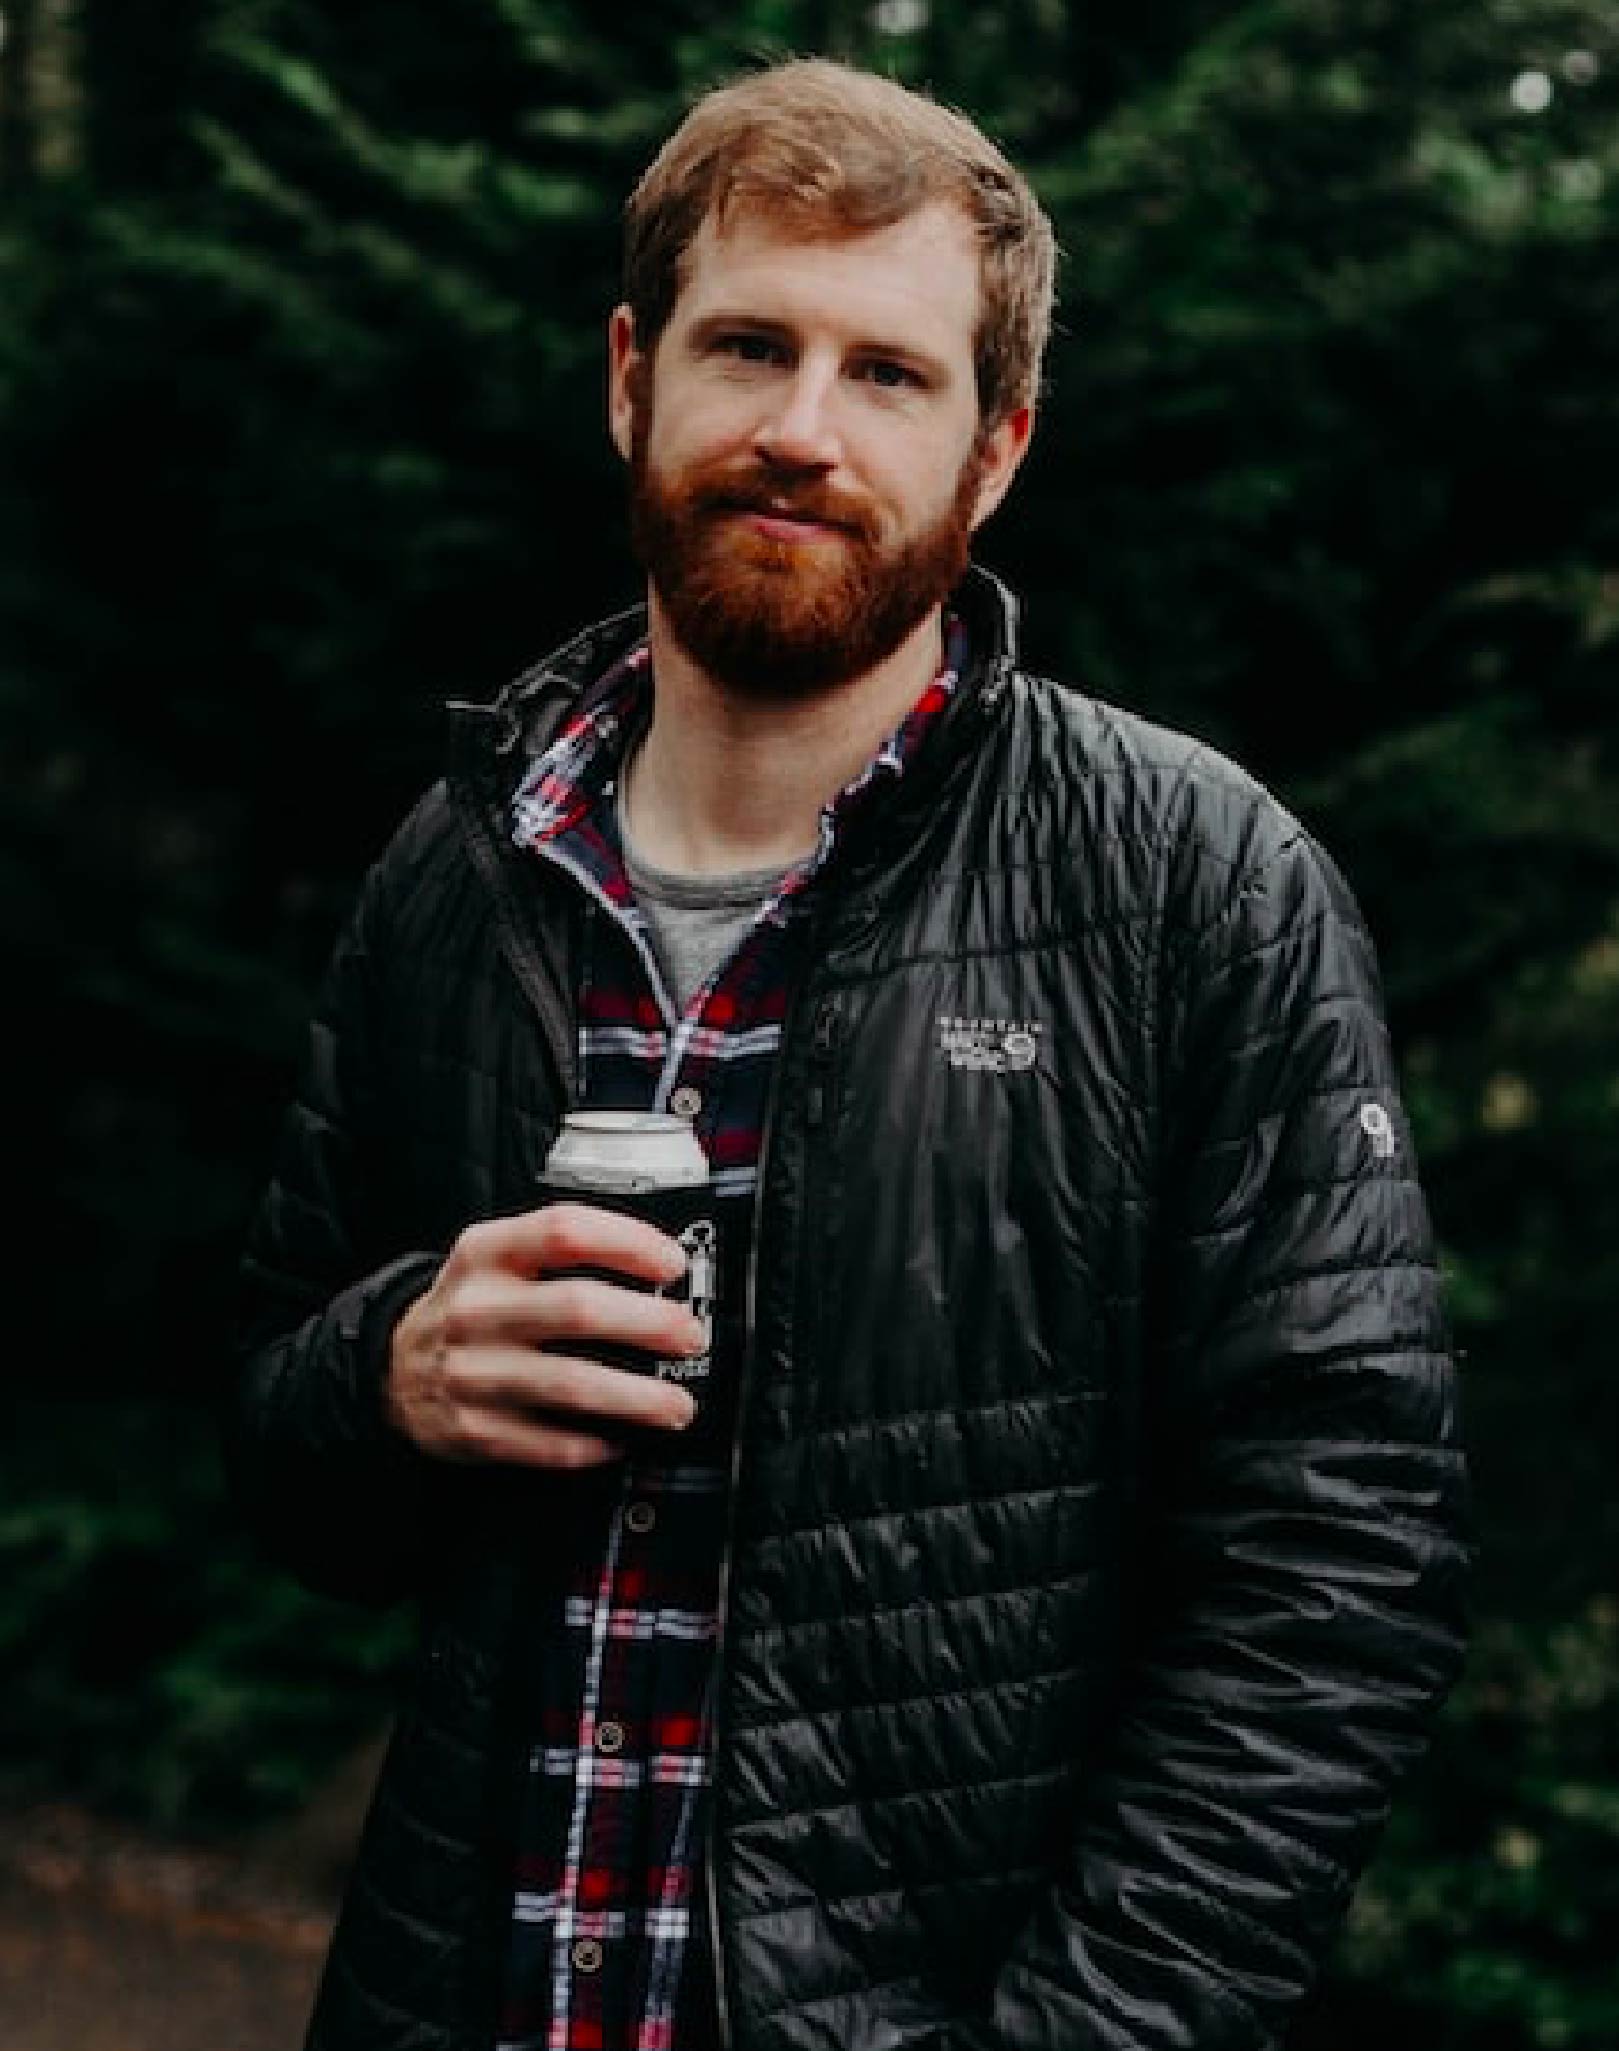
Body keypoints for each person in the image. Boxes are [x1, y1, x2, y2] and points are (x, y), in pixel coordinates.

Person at [230, 55, 1470, 2051]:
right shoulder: (460, 872)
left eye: (888, 373)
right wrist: (389, 1373)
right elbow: (294, 1483)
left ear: (996, 452)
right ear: (632, 378)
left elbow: (1340, 1572)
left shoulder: (1192, 882)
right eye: (749, 347)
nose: (801, 431)